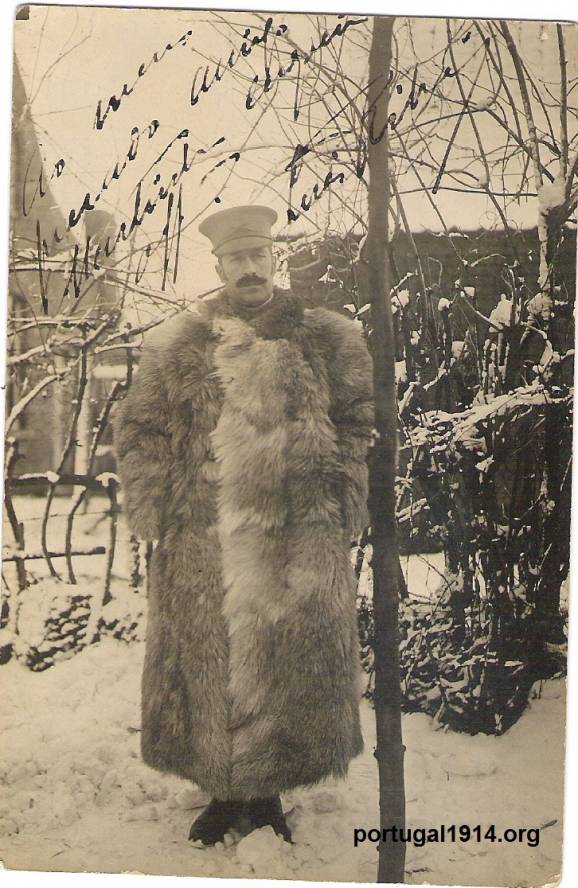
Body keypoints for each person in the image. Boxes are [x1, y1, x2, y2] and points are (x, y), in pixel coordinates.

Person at [113, 204, 374, 846]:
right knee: (210, 657)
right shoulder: (180, 344)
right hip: (203, 535)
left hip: (293, 534)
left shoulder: (325, 336)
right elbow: (140, 428)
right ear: (221, 266)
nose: (250, 269)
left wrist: (340, 496)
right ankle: (226, 791)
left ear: (274, 259)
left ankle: (268, 790)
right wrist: (156, 504)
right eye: (237, 259)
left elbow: (361, 422)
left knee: (283, 658)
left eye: (260, 256)